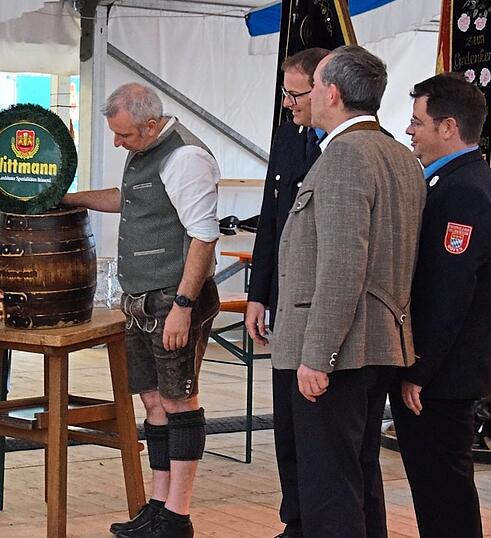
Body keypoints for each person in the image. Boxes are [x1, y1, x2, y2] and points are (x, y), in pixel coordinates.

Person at [272, 46, 425, 538]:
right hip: (377, 343)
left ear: (332, 94)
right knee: (359, 478)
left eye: (313, 86)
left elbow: (342, 264)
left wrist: (317, 355)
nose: (307, 96)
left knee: (330, 490)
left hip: (341, 350)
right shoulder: (399, 155)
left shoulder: (344, 157)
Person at [62, 82, 220, 538]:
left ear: (151, 125)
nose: (117, 143)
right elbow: (129, 199)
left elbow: (204, 237)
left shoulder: (186, 158)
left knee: (179, 401)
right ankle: (158, 504)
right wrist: (73, 198)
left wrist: (184, 306)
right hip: (140, 299)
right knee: (152, 400)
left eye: (124, 135)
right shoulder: (146, 148)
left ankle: (178, 516)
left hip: (173, 299)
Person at [395, 72, 491, 538]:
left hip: (444, 374)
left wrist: (418, 369)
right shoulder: (458, 180)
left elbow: (448, 291)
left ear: (447, 128)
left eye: (416, 121)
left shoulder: (462, 190)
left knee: (443, 488)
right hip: (447, 370)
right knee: (438, 487)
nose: (409, 131)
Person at [243, 47, 329, 538]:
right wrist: (258, 293)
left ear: (324, 90)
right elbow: (271, 219)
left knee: (318, 427)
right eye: (286, 92)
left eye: (296, 93)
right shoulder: (288, 134)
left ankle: (315, 523)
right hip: (283, 302)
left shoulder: (342, 146)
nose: (289, 102)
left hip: (320, 305)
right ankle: (293, 519)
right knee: (287, 423)